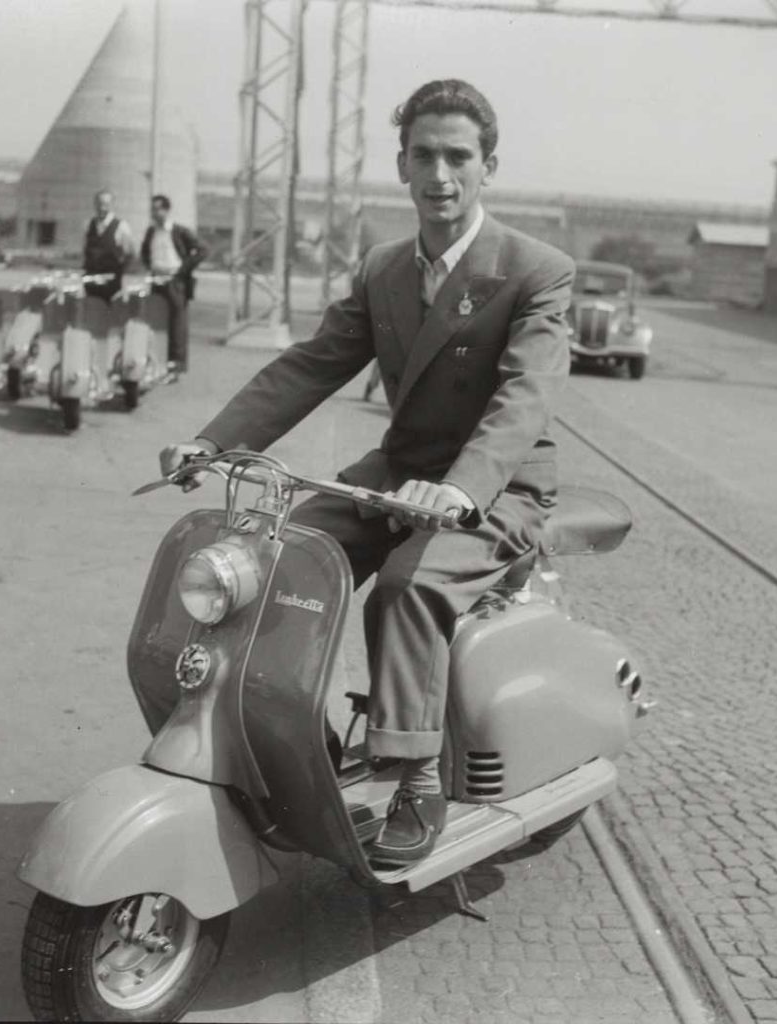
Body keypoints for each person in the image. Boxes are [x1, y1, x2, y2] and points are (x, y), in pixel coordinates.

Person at [159, 80, 573, 866]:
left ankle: (415, 773)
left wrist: (460, 490)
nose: (440, 174)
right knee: (271, 556)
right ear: (401, 165)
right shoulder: (385, 266)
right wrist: (210, 443)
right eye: (424, 155)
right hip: (399, 474)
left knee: (408, 587)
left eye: (458, 156)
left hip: (492, 486)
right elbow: (310, 365)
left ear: (489, 166)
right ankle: (285, 730)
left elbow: (525, 396)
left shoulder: (535, 270)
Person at [140, 194, 203, 379]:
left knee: (176, 324)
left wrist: (183, 269)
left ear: (166, 210)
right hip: (156, 280)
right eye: (152, 209)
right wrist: (150, 266)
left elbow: (202, 250)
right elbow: (144, 252)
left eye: (158, 209)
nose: (155, 213)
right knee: (155, 322)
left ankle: (175, 366)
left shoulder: (179, 231)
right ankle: (156, 362)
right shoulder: (151, 232)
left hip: (174, 282)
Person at [82, 189, 133, 302]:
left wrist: (119, 273)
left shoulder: (121, 226)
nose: (102, 208)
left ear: (112, 205)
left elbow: (129, 254)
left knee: (110, 315)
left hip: (111, 282)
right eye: (99, 204)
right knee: (91, 312)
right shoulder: (88, 225)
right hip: (91, 280)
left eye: (106, 204)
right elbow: (85, 250)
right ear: (95, 204)